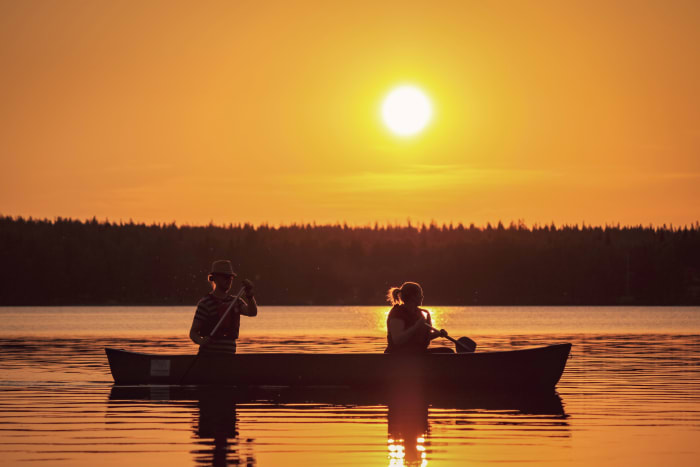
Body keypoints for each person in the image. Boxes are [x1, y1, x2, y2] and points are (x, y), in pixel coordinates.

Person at [189, 260, 257, 355]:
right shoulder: (205, 303)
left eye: (231, 277)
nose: (229, 280)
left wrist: (250, 296)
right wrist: (201, 341)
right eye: (225, 277)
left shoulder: (235, 301)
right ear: (215, 278)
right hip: (209, 357)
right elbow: (193, 333)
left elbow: (252, 312)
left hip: (229, 357)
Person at [384, 281, 452, 354]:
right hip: (398, 355)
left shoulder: (420, 313)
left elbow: (423, 338)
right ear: (412, 297)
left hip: (417, 354)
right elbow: (397, 340)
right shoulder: (397, 313)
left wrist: (438, 334)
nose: (422, 296)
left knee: (448, 351)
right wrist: (416, 326)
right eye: (420, 294)